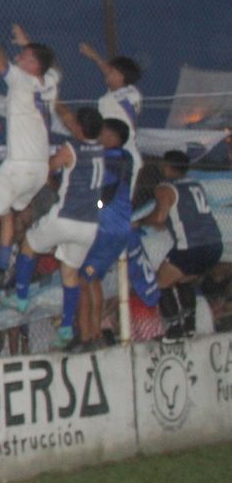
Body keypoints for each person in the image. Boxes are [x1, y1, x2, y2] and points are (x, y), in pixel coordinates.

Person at [0, 19, 59, 291]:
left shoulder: (22, 79)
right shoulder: (51, 82)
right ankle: (3, 265)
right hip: (40, 169)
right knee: (7, 211)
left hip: (19, 165)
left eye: (25, 56)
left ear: (33, 66)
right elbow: (54, 67)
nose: (19, 56)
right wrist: (26, 42)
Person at [10, 107, 105, 349]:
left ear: (80, 128)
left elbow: (48, 169)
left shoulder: (71, 148)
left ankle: (20, 297)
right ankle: (66, 326)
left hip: (65, 217)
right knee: (70, 273)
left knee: (29, 243)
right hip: (89, 225)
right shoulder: (101, 151)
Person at [143, 150, 225, 341]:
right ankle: (189, 327)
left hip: (191, 247)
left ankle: (174, 330)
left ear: (167, 166)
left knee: (159, 283)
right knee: (183, 280)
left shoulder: (165, 188)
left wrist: (140, 222)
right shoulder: (195, 184)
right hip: (214, 244)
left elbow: (159, 217)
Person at [78, 118, 136, 346]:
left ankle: (91, 335)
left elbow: (106, 193)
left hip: (106, 230)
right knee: (91, 279)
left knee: (83, 280)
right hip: (114, 229)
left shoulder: (111, 160)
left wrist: (92, 205)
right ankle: (91, 334)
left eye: (101, 133)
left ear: (112, 137)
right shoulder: (122, 158)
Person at [78, 42, 143, 145]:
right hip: (110, 145)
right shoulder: (115, 93)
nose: (107, 73)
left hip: (124, 146)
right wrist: (94, 56)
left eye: (112, 71)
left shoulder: (130, 94)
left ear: (121, 76)